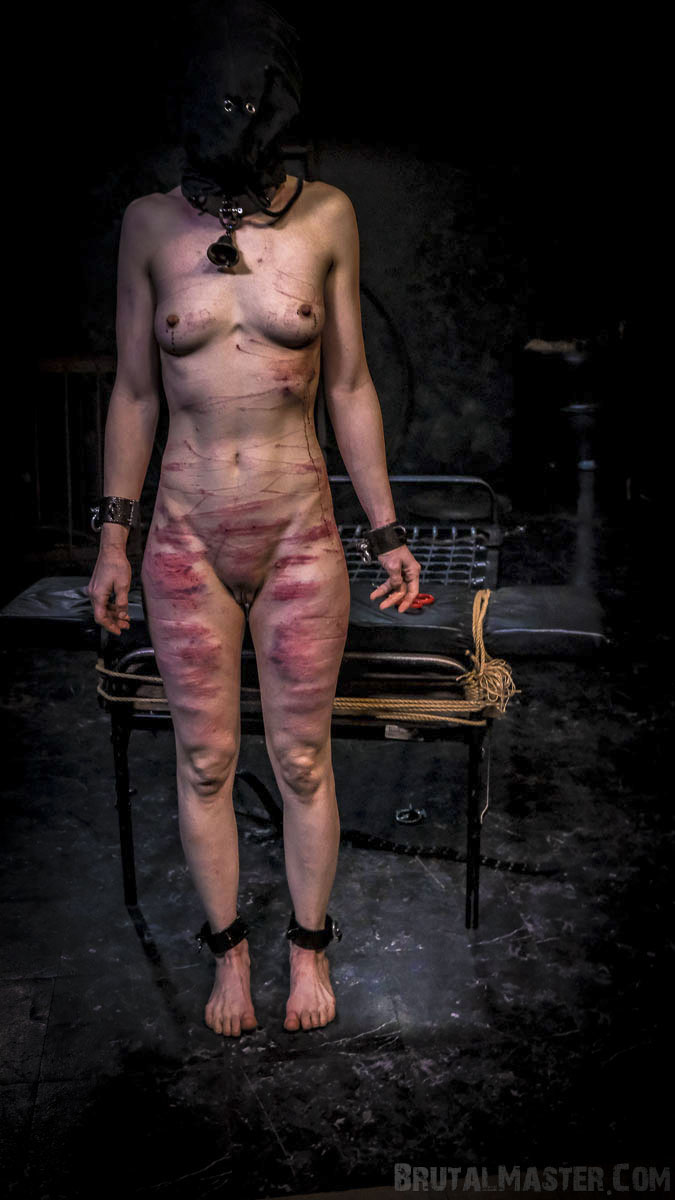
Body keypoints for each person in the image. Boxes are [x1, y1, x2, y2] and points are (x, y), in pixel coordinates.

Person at [87, 0, 421, 1037]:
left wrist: (386, 528)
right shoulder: (150, 226)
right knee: (203, 761)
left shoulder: (325, 218)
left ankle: (307, 948)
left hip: (296, 535)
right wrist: (113, 538)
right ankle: (228, 951)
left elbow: (351, 384)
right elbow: (134, 392)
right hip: (185, 538)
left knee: (304, 758)